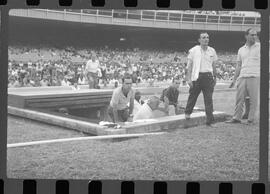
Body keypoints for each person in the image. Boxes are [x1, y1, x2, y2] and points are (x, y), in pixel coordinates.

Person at [226, 28, 260, 125]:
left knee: (253, 99)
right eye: (252, 35)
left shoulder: (261, 47)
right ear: (246, 36)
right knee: (239, 98)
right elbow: (239, 65)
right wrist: (234, 79)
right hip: (242, 76)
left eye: (255, 35)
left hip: (254, 76)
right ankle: (237, 118)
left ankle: (250, 119)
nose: (254, 37)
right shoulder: (241, 50)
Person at [184, 32, 218, 127]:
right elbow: (189, 66)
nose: (206, 39)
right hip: (197, 76)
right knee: (192, 96)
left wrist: (215, 77)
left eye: (207, 37)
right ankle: (187, 113)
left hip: (208, 77)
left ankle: (210, 120)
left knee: (208, 99)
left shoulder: (212, 51)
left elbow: (214, 66)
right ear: (199, 40)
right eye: (203, 37)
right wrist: (188, 79)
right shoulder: (193, 50)